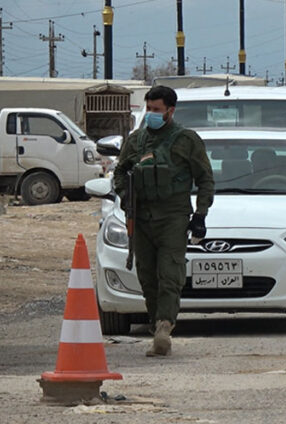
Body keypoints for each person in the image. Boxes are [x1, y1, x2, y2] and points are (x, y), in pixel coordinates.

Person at [114, 86, 214, 357]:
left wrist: (200, 216)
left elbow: (205, 179)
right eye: (148, 109)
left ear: (171, 110)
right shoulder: (135, 141)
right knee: (147, 276)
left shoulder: (186, 140)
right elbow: (120, 173)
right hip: (142, 218)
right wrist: (125, 196)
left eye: (157, 110)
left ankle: (164, 327)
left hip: (173, 216)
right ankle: (155, 322)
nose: (151, 115)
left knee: (170, 274)